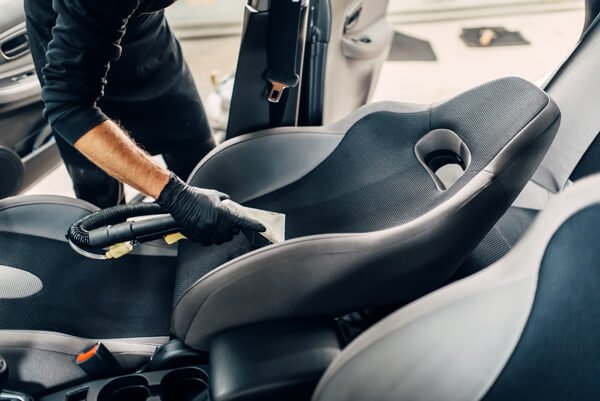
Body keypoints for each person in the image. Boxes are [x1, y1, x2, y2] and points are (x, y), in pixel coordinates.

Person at [24, 0, 264, 245]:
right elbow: (68, 106)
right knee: (100, 207)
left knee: (203, 166)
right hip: (74, 48)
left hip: (145, 37)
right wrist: (174, 195)